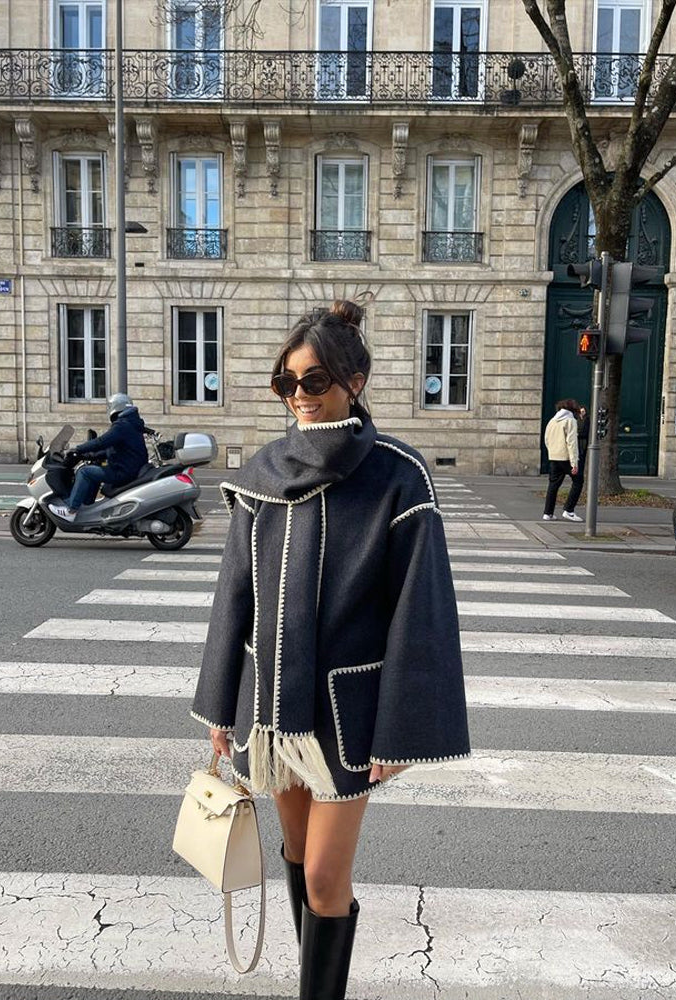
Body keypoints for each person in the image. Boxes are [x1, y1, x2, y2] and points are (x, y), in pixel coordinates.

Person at [191, 300, 470, 1000]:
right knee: (294, 853)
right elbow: (235, 596)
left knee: (323, 875)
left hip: (348, 715)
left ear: (356, 380)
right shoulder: (261, 471)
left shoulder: (397, 475)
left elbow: (421, 610)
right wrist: (221, 706)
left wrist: (403, 729)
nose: (300, 398)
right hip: (272, 706)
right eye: (287, 384)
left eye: (314, 382)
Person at [48, 393, 148, 522]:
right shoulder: (132, 424)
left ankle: (71, 510)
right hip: (130, 468)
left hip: (123, 472)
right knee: (94, 470)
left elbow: (101, 442)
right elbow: (112, 449)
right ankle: (86, 506)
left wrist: (78, 449)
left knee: (84, 472)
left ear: (116, 407)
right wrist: (89, 455)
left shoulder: (122, 425)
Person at [543, 397, 583, 522]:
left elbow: (547, 439)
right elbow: (571, 442)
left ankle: (548, 513)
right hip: (566, 457)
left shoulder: (552, 421)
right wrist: (574, 462)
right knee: (578, 481)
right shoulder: (570, 421)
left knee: (553, 485)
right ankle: (569, 510)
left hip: (554, 456)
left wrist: (552, 451)